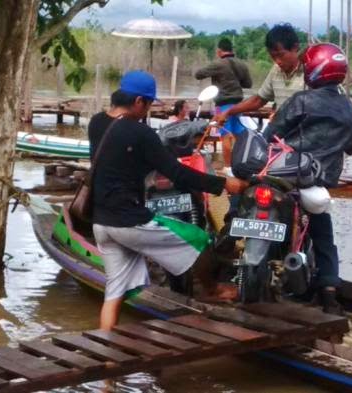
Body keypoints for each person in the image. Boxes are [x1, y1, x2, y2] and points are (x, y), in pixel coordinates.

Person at [87, 70, 247, 330]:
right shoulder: (141, 134)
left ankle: (105, 350)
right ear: (139, 101)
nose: (148, 110)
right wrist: (223, 184)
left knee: (113, 293)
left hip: (101, 223)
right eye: (148, 104)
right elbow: (177, 173)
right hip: (129, 223)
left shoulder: (96, 123)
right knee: (199, 238)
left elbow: (119, 163)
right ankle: (213, 289)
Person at [263, 43, 352, 314]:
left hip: (285, 177)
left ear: (312, 70)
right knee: (324, 237)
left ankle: (229, 239)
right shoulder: (347, 108)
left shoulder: (301, 100)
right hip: (317, 183)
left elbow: (270, 134)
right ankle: (330, 291)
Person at [212, 23, 305, 127]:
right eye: (273, 57)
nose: (277, 61)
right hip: (282, 132)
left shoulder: (310, 71)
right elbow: (259, 100)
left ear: (295, 47)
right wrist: (228, 112)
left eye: (281, 55)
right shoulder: (276, 70)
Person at [195, 38, 252, 166]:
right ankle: (241, 164)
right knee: (238, 136)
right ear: (232, 50)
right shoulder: (241, 64)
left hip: (223, 105)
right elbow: (248, 84)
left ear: (219, 51)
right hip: (239, 105)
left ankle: (228, 167)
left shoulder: (218, 64)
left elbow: (198, 74)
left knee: (225, 136)